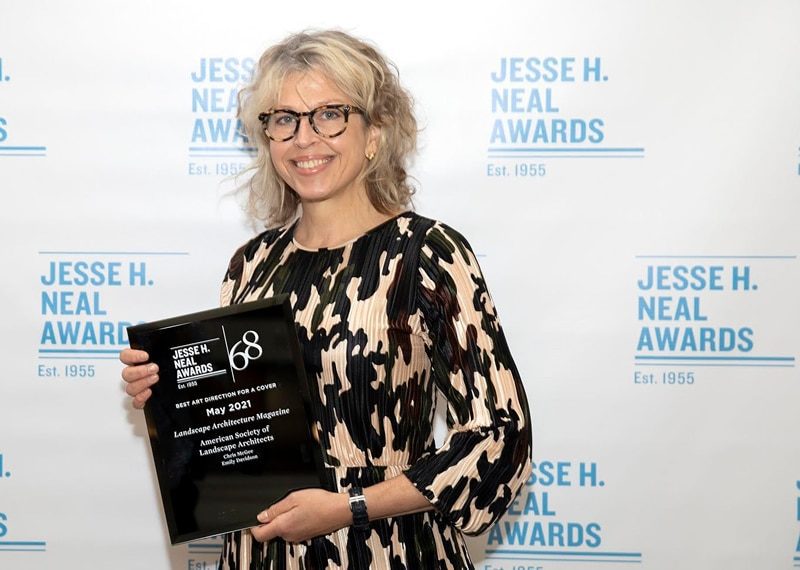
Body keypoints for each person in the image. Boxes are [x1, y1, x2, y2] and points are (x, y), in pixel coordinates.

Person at [121, 29, 532, 569]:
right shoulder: (251, 264)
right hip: (260, 554)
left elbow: (499, 438)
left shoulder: (425, 254)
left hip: (386, 551)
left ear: (374, 134)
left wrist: (349, 508)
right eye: (284, 119)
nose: (304, 138)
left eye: (329, 114)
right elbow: (238, 427)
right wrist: (170, 396)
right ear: (267, 138)